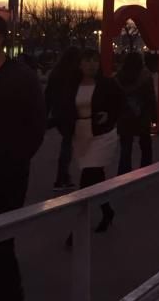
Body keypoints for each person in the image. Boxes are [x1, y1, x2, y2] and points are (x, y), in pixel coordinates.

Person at [0, 12, 46, 301]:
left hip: (4, 179)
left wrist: (8, 161)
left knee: (0, 245)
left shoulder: (20, 78)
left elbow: (34, 130)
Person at [52, 48, 123, 236]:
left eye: (95, 61)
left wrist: (108, 115)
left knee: (88, 178)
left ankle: (78, 229)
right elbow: (63, 108)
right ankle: (107, 211)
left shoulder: (107, 84)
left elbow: (120, 104)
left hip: (103, 135)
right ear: (80, 64)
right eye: (87, 61)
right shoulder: (72, 85)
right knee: (95, 178)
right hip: (82, 134)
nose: (92, 65)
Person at [44, 46, 82, 190]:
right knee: (68, 145)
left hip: (59, 111)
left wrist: (46, 113)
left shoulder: (56, 72)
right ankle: (62, 177)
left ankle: (63, 177)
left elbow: (48, 94)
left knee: (67, 144)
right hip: (72, 111)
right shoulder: (76, 73)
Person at [116, 52, 157, 175]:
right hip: (142, 116)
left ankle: (123, 173)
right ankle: (146, 170)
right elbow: (151, 98)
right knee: (145, 145)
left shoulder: (118, 77)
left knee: (126, 148)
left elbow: (115, 99)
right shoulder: (145, 76)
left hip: (124, 117)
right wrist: (155, 116)